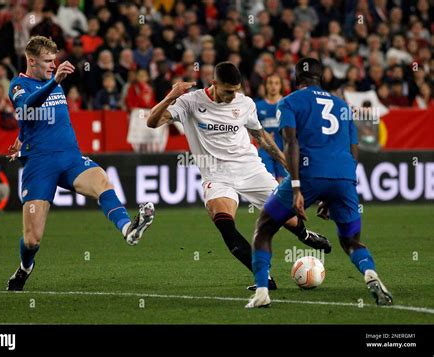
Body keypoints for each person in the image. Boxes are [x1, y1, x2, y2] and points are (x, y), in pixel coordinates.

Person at [147, 61, 331, 291]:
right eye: (228, 91)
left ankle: (305, 236)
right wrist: (170, 97)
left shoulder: (245, 103)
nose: (233, 96)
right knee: (225, 225)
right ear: (214, 84)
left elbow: (261, 136)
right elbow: (152, 122)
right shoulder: (190, 102)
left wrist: (288, 167)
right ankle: (263, 276)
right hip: (217, 176)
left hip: (250, 168)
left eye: (236, 90)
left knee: (285, 216)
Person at [6, 36, 154, 291]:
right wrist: (54, 82)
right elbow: (27, 108)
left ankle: (128, 228)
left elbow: (41, 119)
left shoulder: (54, 83)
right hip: (40, 164)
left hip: (70, 157)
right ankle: (25, 268)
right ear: (31, 61)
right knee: (32, 240)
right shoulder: (20, 85)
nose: (53, 65)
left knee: (102, 181)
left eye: (55, 60)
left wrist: (20, 137)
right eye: (47, 61)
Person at [246, 57, 392, 308]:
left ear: (295, 79)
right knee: (351, 240)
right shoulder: (343, 105)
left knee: (265, 228)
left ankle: (261, 292)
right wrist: (338, 187)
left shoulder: (289, 102)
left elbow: (291, 143)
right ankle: (370, 273)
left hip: (310, 174)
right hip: (344, 176)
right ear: (321, 78)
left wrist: (296, 188)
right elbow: (353, 148)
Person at [255, 73, 287, 181]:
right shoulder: (257, 106)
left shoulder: (286, 104)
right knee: (268, 182)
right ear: (265, 85)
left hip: (283, 148)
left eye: (276, 83)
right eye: (270, 83)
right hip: (265, 149)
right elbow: (251, 129)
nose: (273, 86)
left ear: (281, 86)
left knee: (282, 182)